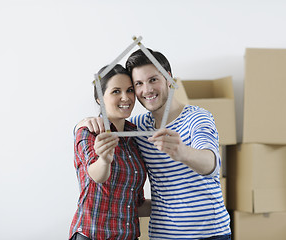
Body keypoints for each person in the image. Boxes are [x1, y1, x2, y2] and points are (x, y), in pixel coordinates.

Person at [77, 49, 231, 239]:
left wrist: (183, 152)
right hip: (163, 234)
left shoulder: (198, 118)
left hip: (209, 234)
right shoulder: (139, 128)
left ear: (169, 79)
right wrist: (83, 123)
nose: (147, 90)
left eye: (153, 80)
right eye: (138, 84)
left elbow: (212, 164)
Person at [69, 64, 150, 240]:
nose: (125, 97)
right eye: (116, 91)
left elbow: (134, 203)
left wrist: (180, 202)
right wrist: (105, 160)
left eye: (129, 90)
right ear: (99, 98)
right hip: (92, 235)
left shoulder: (134, 136)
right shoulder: (88, 132)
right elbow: (96, 174)